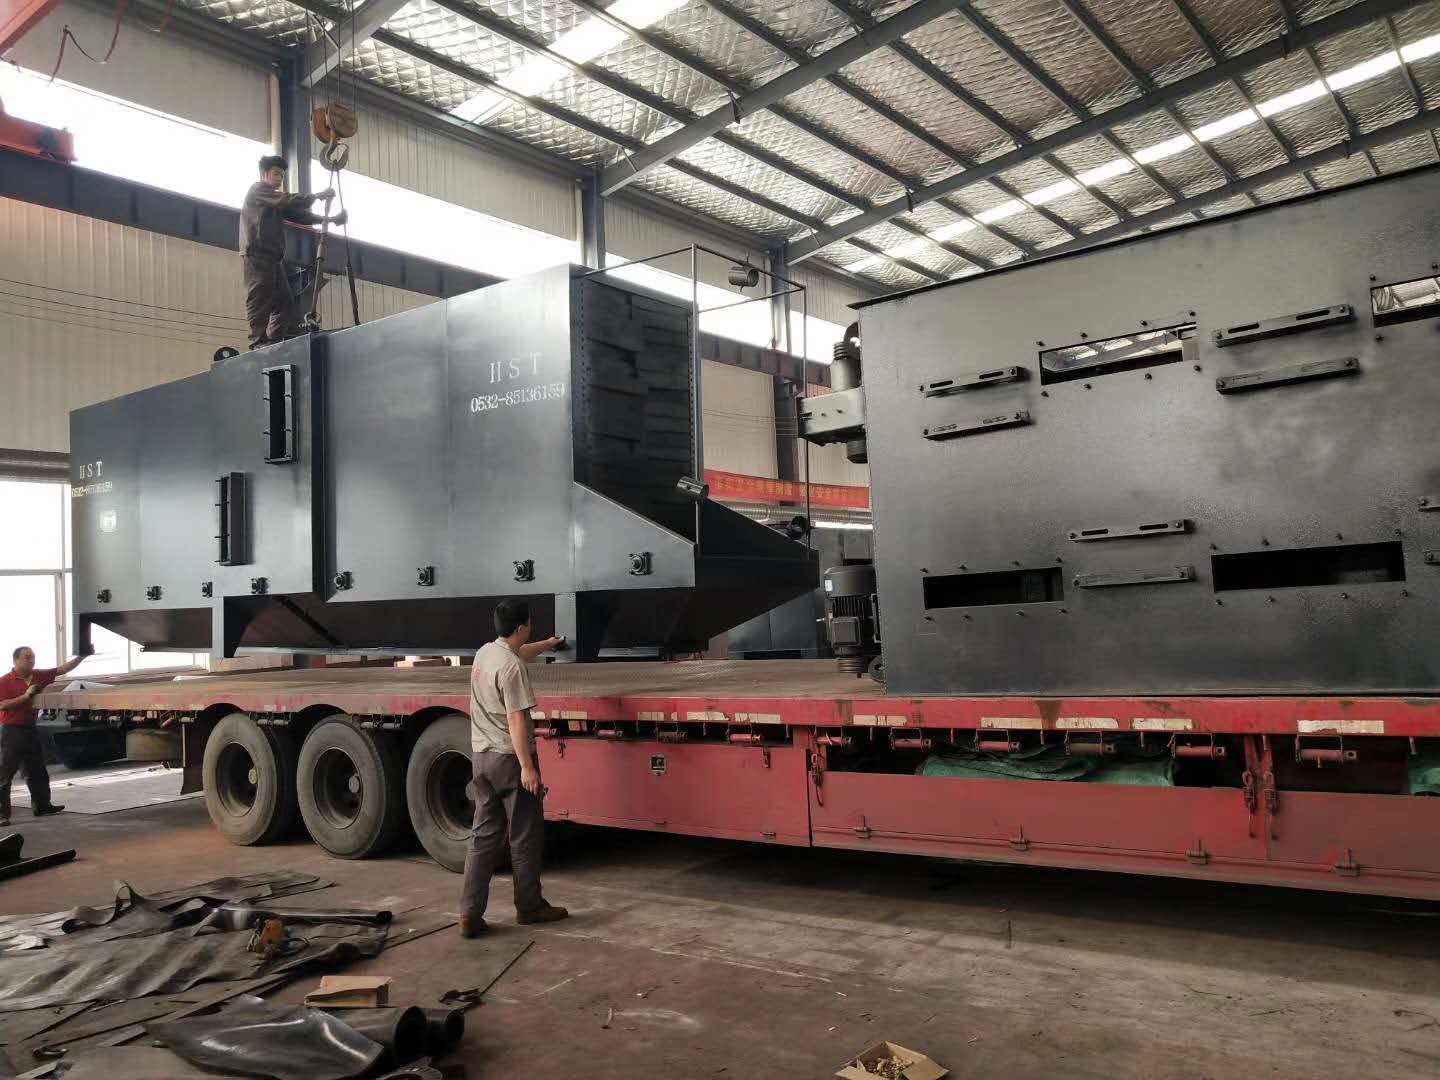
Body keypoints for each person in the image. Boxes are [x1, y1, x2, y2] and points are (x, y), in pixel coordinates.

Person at [460, 599, 570, 936]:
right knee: (523, 835)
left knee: (482, 837)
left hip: (482, 759)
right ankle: (529, 906)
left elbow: (520, 652)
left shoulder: (485, 654)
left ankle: (469, 914)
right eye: (530, 624)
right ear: (522, 627)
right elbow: (517, 720)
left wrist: (549, 644)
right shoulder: (512, 669)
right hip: (509, 759)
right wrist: (528, 768)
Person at [240, 155, 348, 350]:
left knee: (285, 302)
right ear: (264, 174)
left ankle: (273, 342)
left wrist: (329, 220)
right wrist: (317, 196)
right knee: (259, 295)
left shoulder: (274, 200)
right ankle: (258, 342)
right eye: (276, 174)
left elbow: (299, 214)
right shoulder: (258, 190)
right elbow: (289, 201)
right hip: (257, 255)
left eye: (282, 175)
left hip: (274, 258)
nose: (279, 178)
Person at [0, 647, 82, 827]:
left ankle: (42, 806)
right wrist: (25, 696)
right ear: (16, 660)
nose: (32, 660)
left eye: (33, 657)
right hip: (11, 730)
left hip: (30, 729)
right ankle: (2, 815)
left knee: (37, 770)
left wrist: (81, 656)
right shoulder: (4, 681)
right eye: (27, 657)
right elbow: (3, 705)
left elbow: (62, 669)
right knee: (5, 774)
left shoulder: (38, 675)